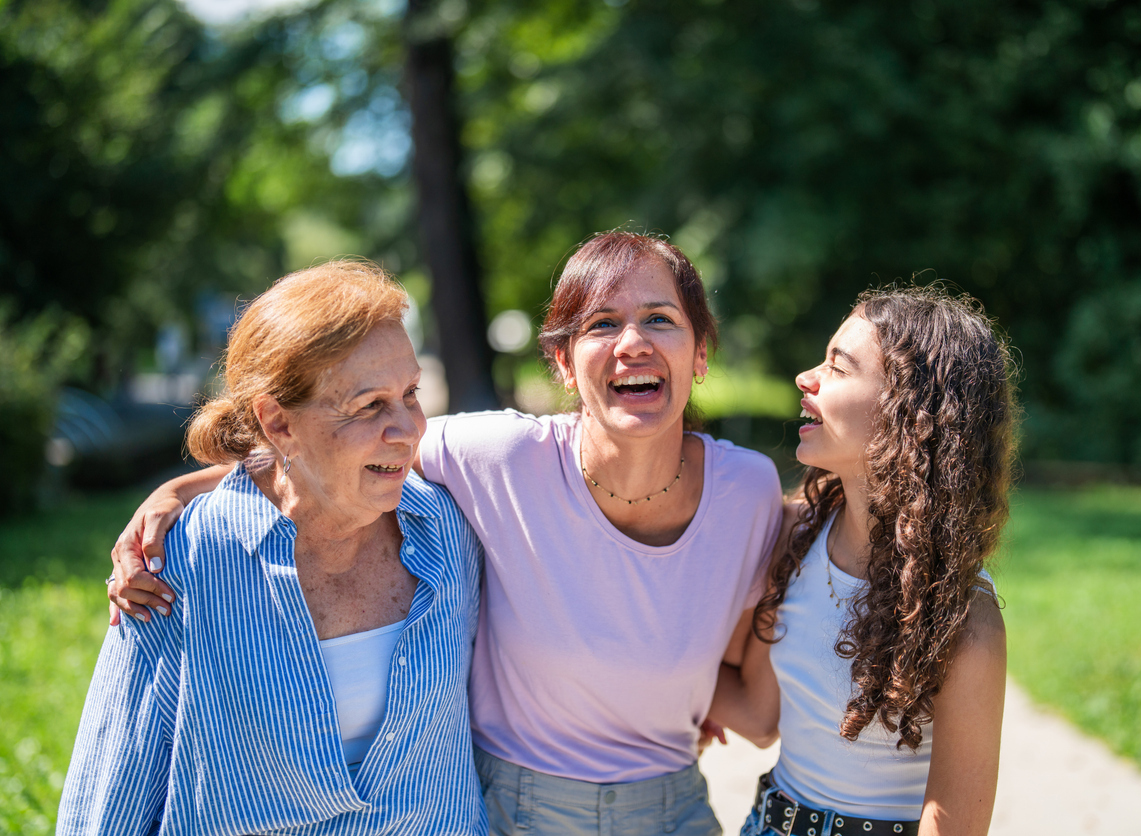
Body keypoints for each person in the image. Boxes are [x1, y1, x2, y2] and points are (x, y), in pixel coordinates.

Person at [105, 232, 784, 836]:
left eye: (660, 320)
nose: (632, 342)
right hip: (517, 809)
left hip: (679, 808)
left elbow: (735, 672)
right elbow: (329, 455)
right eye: (602, 323)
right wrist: (179, 491)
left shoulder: (748, 492)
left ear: (700, 353)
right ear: (562, 363)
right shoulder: (500, 456)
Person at [61, 261, 486, 835]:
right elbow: (119, 775)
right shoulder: (183, 559)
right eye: (368, 406)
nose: (408, 428)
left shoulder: (449, 529)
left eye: (410, 394)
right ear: (278, 423)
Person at [710, 286, 1017, 836]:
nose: (807, 378)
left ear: (910, 413)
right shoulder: (795, 535)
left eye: (838, 366)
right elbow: (759, 715)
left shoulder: (965, 620)